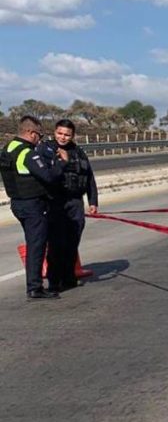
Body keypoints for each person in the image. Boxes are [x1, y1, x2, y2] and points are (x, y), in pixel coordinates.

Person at [1, 116, 64, 300]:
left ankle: (35, 284)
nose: (40, 139)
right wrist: (59, 163)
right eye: (39, 135)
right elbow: (49, 176)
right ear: (30, 133)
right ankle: (34, 287)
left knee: (34, 242)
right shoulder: (28, 152)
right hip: (32, 204)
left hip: (17, 203)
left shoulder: (8, 149)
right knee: (37, 245)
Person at [36, 119, 97, 292]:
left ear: (72, 135)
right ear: (54, 132)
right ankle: (54, 281)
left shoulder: (78, 152)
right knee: (57, 244)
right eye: (60, 133)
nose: (63, 137)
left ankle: (69, 277)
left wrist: (93, 201)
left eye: (67, 134)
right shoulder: (46, 150)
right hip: (55, 203)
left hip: (76, 202)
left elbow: (89, 178)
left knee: (72, 242)